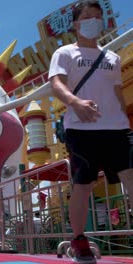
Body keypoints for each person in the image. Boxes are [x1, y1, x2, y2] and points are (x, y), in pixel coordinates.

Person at [49, 1, 132, 262]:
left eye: (98, 17)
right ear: (75, 24)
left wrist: (125, 121)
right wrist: (75, 102)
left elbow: (118, 93)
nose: (93, 21)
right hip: (82, 129)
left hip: (117, 129)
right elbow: (57, 84)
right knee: (83, 186)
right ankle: (78, 239)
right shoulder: (64, 53)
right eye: (87, 17)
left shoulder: (113, 57)